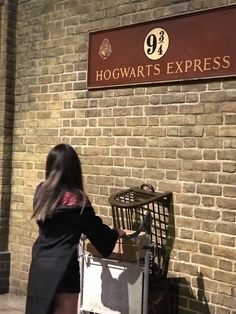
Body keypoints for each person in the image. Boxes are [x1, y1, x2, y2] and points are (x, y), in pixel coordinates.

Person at [25, 144, 125, 314]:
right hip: (65, 269)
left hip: (40, 265)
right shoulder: (79, 201)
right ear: (74, 169)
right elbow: (99, 235)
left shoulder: (41, 193)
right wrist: (116, 232)